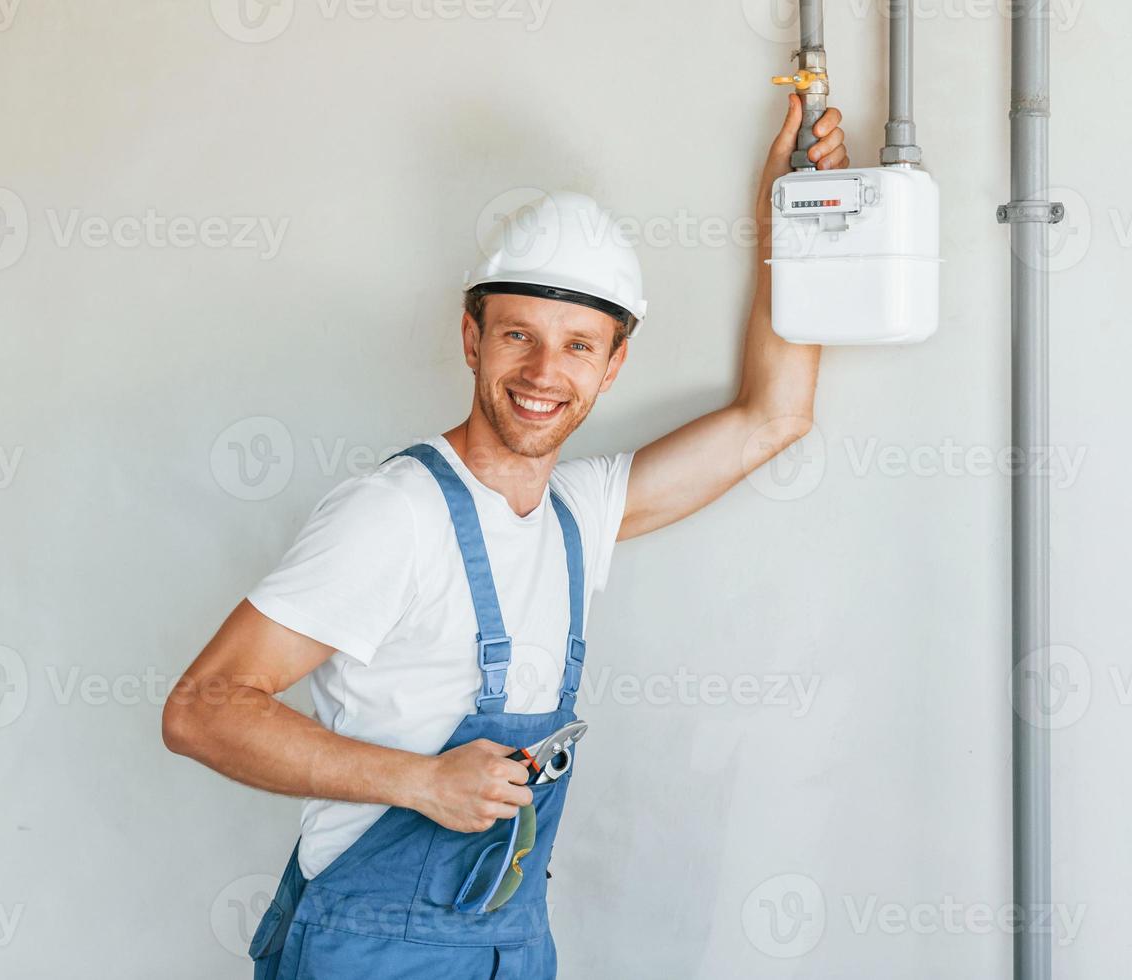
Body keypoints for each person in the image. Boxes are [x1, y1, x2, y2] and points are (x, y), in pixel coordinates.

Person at [162, 93, 848, 978]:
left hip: (509, 945)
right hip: (370, 953)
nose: (541, 373)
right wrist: (419, 782)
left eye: (576, 346)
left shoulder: (577, 515)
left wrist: (785, 220)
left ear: (613, 365)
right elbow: (202, 708)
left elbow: (773, 418)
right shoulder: (394, 514)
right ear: (471, 338)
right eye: (518, 335)